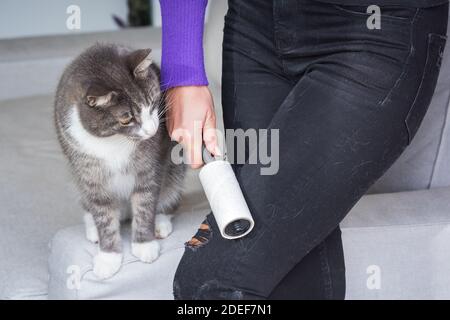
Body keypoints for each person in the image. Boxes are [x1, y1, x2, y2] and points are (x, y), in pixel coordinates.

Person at [160, 0, 449, 299]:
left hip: (374, 30)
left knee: (211, 282)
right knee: (289, 281)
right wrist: (182, 71)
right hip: (254, 27)